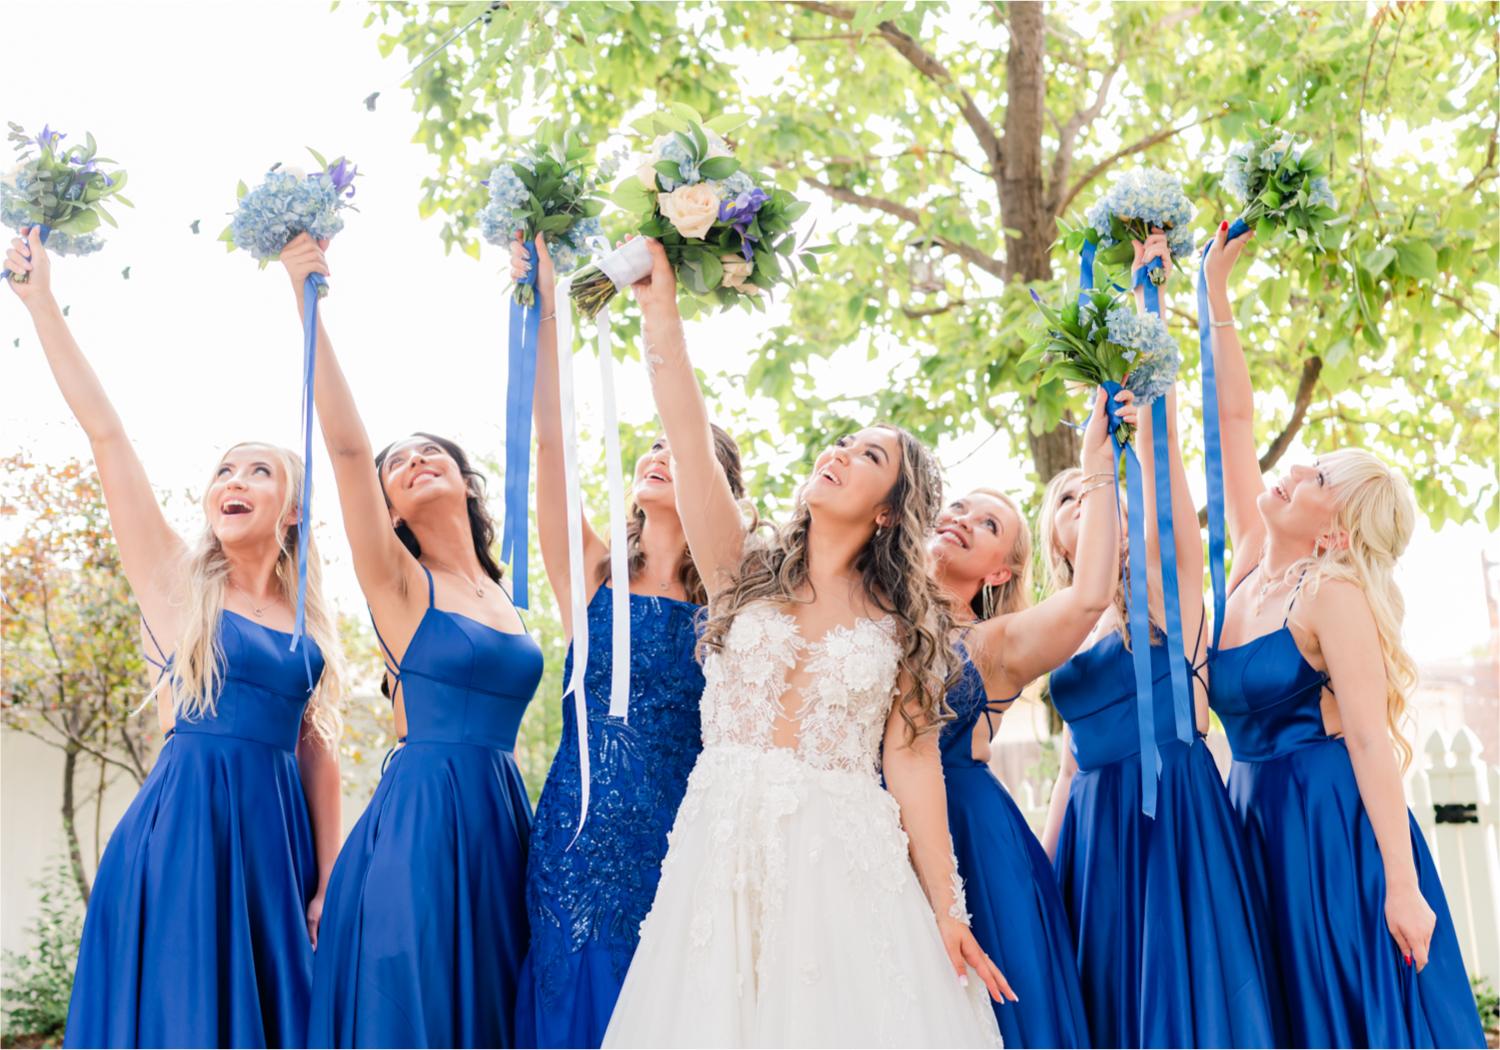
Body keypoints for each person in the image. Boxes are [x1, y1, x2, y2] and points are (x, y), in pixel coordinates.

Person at [600, 237, 1011, 1047]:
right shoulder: (738, 566)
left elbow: (912, 764)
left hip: (840, 863)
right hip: (720, 846)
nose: (839, 453)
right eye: (842, 440)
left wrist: (948, 911)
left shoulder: (904, 628)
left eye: (869, 456)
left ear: (890, 509)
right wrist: (661, 313)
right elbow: (688, 440)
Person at [5, 226, 346, 1049]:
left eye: (258, 470)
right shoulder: (174, 583)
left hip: (276, 845)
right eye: (225, 469)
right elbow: (108, 436)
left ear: (292, 508)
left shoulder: (309, 621)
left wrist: (329, 876)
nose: (234, 480)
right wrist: (38, 299)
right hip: (186, 832)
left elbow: (315, 748)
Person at [1201, 220, 1486, 1048]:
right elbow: (1237, 424)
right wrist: (1214, 294)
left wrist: (1402, 882)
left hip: (1330, 827)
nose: (1293, 471)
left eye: (1319, 476)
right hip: (1251, 818)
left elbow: (1368, 739)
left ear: (1337, 531)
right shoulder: (1252, 563)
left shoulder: (1334, 596)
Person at [276, 235, 544, 1049]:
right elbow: (349, 452)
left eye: (433, 453)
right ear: (388, 508)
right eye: (400, 465)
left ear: (467, 482)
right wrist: (305, 296)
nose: (414, 459)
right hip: (423, 823)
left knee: (497, 1007)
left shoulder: (509, 594)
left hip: (503, 817)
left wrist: (543, 298)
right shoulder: (398, 582)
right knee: (422, 1005)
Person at [1037, 231, 1284, 1047]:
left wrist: (1151, 313)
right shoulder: (1064, 631)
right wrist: (1047, 859)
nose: (1087, 499)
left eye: (1096, 490)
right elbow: (1071, 762)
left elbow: (1164, 461)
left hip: (1173, 811)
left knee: (1186, 1001)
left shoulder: (1165, 596)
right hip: (1093, 826)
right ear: (1059, 539)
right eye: (1070, 500)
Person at [506, 235, 749, 1048]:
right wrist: (540, 312)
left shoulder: (733, 598)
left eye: (677, 451)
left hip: (688, 837)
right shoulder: (593, 577)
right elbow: (552, 447)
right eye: (648, 448)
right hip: (578, 837)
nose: (656, 454)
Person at [926, 387, 1126, 1049]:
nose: (962, 519)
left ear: (999, 571)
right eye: (957, 507)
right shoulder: (869, 619)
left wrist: (1097, 464)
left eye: (987, 525)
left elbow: (1089, 594)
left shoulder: (998, 643)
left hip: (972, 845)